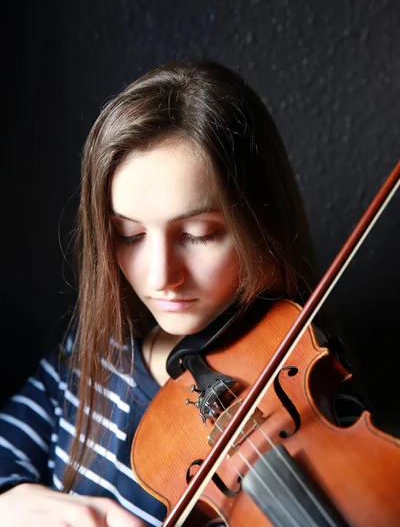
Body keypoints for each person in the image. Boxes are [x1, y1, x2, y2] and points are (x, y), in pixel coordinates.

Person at [0, 60, 346, 526]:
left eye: (200, 234)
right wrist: (15, 500)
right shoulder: (101, 342)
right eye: (128, 234)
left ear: (261, 225)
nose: (162, 276)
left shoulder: (311, 396)